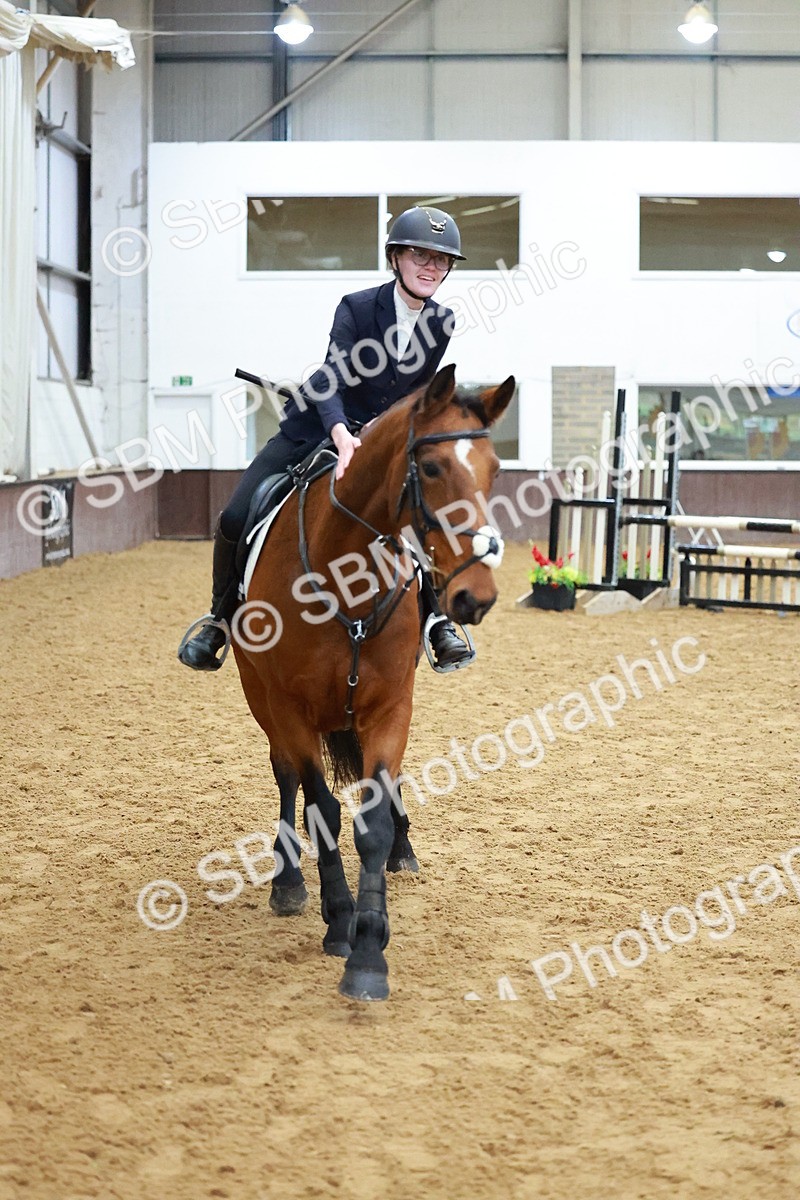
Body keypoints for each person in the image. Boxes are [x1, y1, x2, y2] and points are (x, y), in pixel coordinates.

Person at [178, 205, 474, 673]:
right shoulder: (356, 307)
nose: (431, 267)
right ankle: (219, 619)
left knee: (423, 512)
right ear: (396, 257)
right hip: (318, 427)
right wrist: (342, 431)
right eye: (420, 254)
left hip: (384, 443)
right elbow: (329, 377)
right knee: (237, 514)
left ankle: (436, 620)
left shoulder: (442, 322)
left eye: (441, 259)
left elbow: (417, 396)